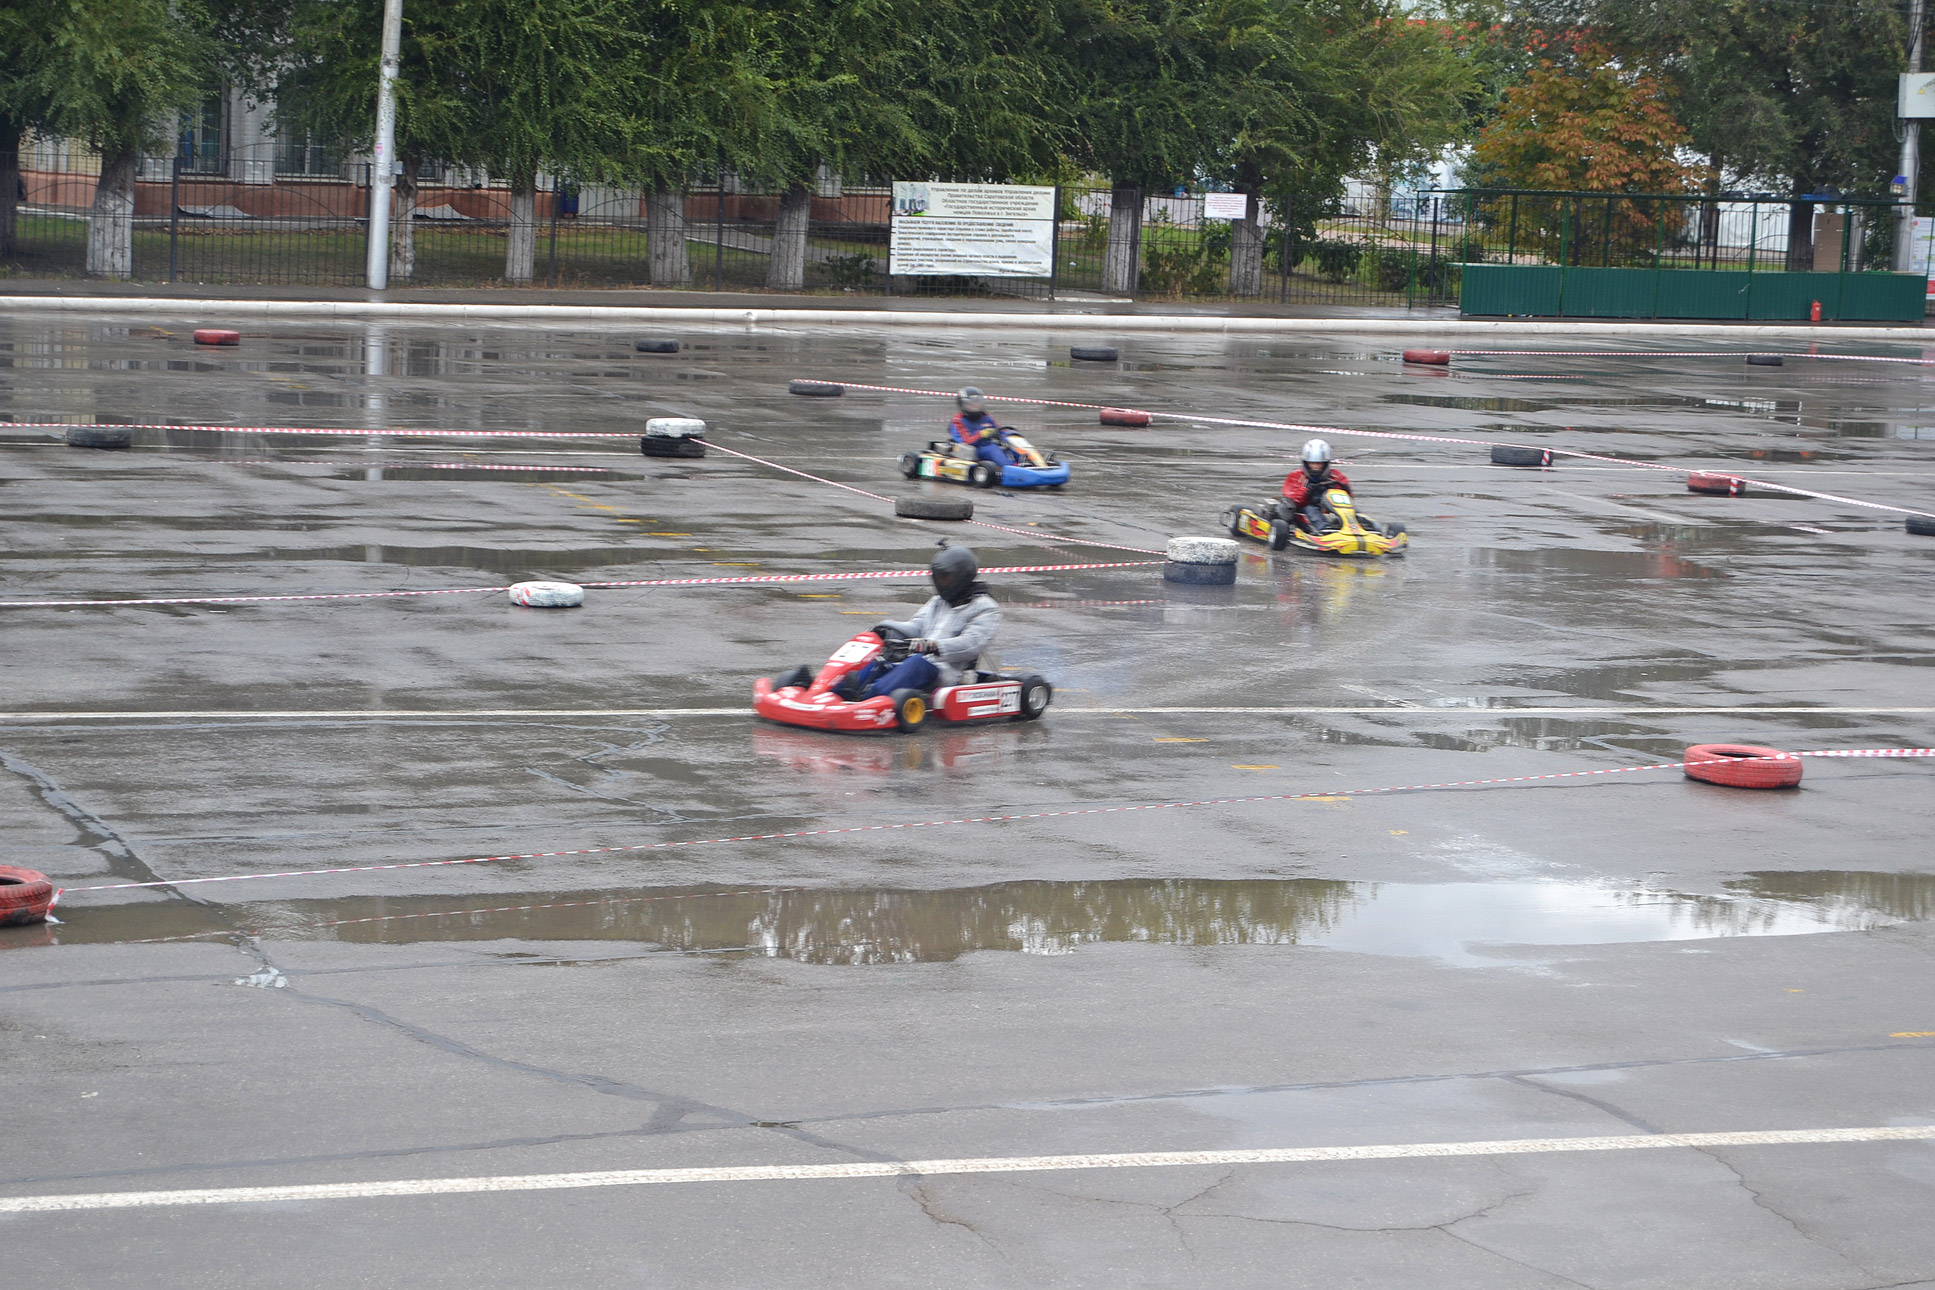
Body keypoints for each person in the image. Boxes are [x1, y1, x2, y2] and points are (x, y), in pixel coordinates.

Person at [844, 544, 1001, 700]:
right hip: (917, 662)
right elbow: (916, 627)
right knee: (882, 660)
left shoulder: (986, 608)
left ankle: (867, 700)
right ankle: (840, 691)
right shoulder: (938, 601)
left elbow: (971, 644)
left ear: (962, 576)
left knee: (917, 663)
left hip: (949, 674)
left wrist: (933, 646)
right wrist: (887, 630)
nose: (940, 583)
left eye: (945, 578)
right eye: (938, 578)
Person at [1279, 438, 1351, 531]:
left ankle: (1363, 528)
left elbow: (1348, 500)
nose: (1315, 467)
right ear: (1306, 463)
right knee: (1311, 509)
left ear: (1325, 463)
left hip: (1329, 509)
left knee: (1353, 512)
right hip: (1304, 510)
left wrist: (1344, 489)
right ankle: (1324, 530)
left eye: (1319, 463)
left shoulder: (1336, 476)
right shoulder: (1296, 476)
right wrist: (1307, 491)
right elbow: (1291, 500)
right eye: (1312, 463)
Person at [947, 387, 1017, 468]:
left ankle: (1026, 463)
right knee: (992, 449)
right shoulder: (958, 421)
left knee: (1013, 446)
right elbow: (965, 441)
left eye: (977, 402)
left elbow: (999, 430)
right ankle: (1011, 468)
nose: (975, 406)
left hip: (989, 446)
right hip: (972, 450)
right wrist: (981, 435)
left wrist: (1009, 435)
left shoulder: (986, 417)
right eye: (971, 404)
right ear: (963, 405)